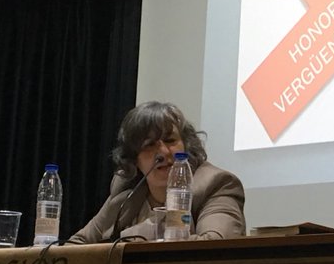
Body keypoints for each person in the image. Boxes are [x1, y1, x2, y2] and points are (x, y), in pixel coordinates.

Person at [67, 101, 246, 244]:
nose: (164, 152)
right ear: (134, 159)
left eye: (170, 140)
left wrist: (133, 236)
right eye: (149, 145)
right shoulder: (127, 194)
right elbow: (75, 245)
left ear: (186, 146)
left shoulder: (216, 184)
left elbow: (215, 246)